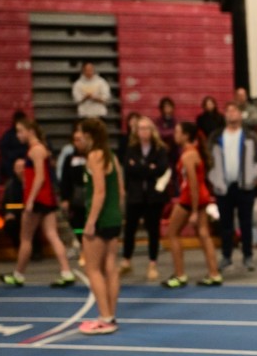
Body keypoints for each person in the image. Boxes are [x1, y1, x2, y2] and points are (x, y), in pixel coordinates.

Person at [0, 119, 76, 287]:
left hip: (38, 199)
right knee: (52, 235)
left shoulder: (36, 150)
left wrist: (30, 200)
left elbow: (40, 177)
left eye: (20, 131)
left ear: (30, 131)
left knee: (26, 238)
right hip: (45, 199)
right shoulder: (37, 149)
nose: (18, 135)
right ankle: (66, 272)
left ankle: (18, 275)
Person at [207, 101, 257, 272]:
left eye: (234, 111)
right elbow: (208, 160)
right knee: (225, 224)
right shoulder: (216, 137)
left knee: (246, 223)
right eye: (228, 110)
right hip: (223, 187)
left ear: (241, 115)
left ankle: (248, 256)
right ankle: (226, 256)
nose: (231, 113)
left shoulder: (251, 137)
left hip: (244, 187)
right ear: (224, 115)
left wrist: (252, 175)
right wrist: (214, 178)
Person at [77, 118, 123, 335]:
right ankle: (110, 315)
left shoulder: (94, 156)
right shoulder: (112, 156)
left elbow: (100, 191)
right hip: (113, 218)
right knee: (110, 267)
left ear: (88, 135)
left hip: (100, 219)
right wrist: (116, 214)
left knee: (93, 269)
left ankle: (104, 318)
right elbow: (120, 190)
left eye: (80, 132)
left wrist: (91, 222)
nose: (78, 136)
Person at [162, 122, 221, 288]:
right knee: (203, 234)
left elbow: (193, 183)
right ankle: (214, 274)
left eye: (178, 132)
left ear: (186, 135)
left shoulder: (188, 155)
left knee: (172, 233)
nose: (175, 135)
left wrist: (194, 211)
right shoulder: (192, 152)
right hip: (200, 197)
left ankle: (180, 275)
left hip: (190, 199)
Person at [119, 115, 170, 281]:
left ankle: (152, 263)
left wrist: (141, 168)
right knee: (130, 229)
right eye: (140, 128)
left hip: (154, 196)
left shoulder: (159, 149)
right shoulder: (131, 148)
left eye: (146, 128)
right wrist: (149, 168)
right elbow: (129, 169)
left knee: (153, 230)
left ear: (152, 130)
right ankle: (126, 261)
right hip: (135, 195)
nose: (144, 131)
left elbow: (161, 168)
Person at [59, 123, 89, 263]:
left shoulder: (92, 156)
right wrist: (65, 198)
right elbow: (65, 179)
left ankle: (89, 248)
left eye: (80, 139)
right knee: (77, 224)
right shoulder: (70, 158)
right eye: (75, 140)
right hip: (75, 195)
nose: (78, 142)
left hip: (89, 194)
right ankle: (80, 244)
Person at [0, 110, 28, 181]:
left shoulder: (29, 133)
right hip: (12, 159)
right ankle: (12, 180)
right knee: (6, 163)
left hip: (26, 158)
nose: (19, 136)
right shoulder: (8, 134)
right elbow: (4, 149)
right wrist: (13, 156)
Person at [155, 96, 179, 166]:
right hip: (162, 148)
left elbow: (177, 133)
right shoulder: (159, 120)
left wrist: (168, 133)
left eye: (169, 106)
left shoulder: (175, 120)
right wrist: (171, 132)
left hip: (174, 148)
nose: (167, 108)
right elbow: (159, 133)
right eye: (165, 107)